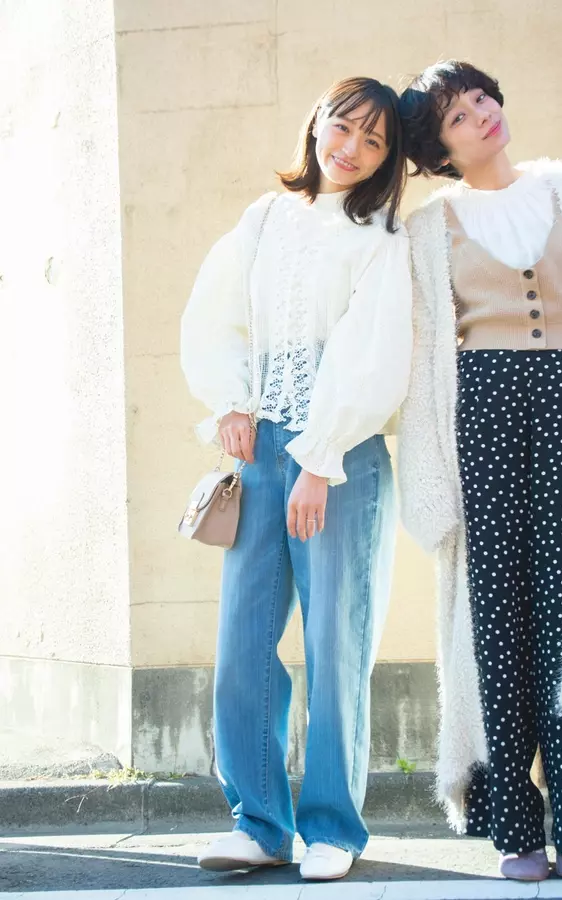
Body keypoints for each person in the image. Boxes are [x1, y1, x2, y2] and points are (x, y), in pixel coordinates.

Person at [181, 76, 413, 881]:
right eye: (343, 126)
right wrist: (230, 402)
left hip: (339, 458)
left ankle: (332, 829)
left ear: (387, 159)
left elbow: (372, 353)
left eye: (373, 141)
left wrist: (320, 457)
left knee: (334, 643)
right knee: (243, 641)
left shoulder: (381, 237)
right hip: (259, 451)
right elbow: (216, 313)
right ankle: (259, 824)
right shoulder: (264, 216)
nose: (351, 148)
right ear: (317, 122)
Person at [397, 59, 562, 882]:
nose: (482, 113)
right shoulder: (427, 228)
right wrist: (429, 475)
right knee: (495, 612)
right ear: (439, 151)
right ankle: (515, 825)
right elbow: (422, 357)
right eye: (457, 114)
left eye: (482, 97)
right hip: (479, 413)